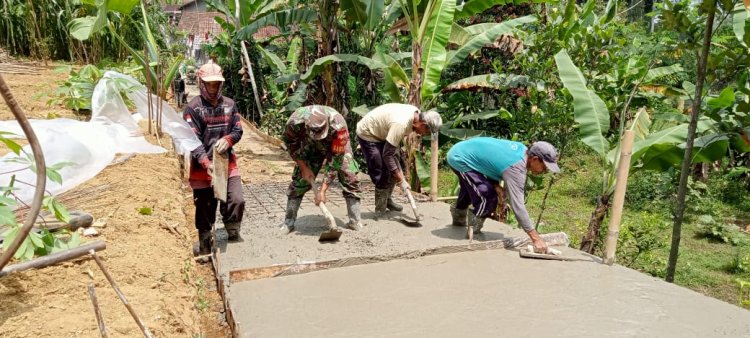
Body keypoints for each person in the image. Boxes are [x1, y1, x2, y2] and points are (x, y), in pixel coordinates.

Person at [446, 138, 560, 253]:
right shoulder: (516, 169)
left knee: (470, 189)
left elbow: (490, 161)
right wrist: (536, 239)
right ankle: (473, 235)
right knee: (487, 197)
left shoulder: (522, 151)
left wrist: (496, 185)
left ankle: (458, 223)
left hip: (461, 151)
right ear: (535, 159)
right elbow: (518, 206)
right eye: (545, 167)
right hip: (460, 159)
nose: (544, 171)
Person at [183, 62, 245, 255]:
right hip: (203, 167)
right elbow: (192, 141)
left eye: (216, 84)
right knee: (205, 205)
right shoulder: (193, 109)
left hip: (226, 162)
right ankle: (204, 242)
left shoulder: (229, 105)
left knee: (236, 199)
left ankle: (232, 228)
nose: (212, 89)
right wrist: (206, 162)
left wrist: (228, 140)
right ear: (202, 83)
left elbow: (238, 129)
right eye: (209, 84)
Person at [280, 105, 363, 233]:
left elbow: (336, 160)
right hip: (309, 144)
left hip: (335, 144)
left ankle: (355, 221)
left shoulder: (339, 125)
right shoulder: (294, 122)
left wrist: (322, 191)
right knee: (299, 181)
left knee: (350, 175)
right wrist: (303, 168)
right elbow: (292, 146)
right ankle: (288, 222)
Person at [355, 103, 442, 219]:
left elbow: (391, 154)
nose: (424, 134)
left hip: (385, 133)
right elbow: (387, 155)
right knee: (381, 171)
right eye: (426, 132)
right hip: (368, 133)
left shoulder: (416, 114)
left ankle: (388, 201)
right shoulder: (401, 124)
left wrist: (399, 177)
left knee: (395, 167)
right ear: (423, 124)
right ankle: (380, 210)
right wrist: (402, 181)